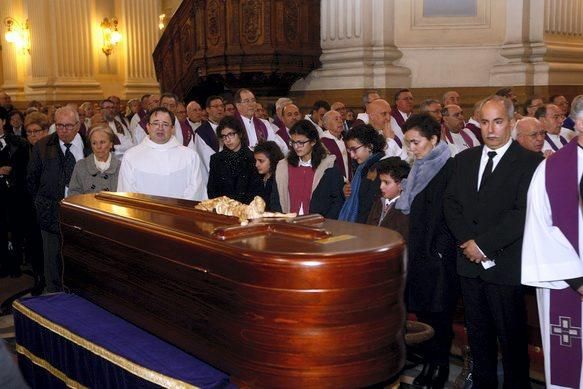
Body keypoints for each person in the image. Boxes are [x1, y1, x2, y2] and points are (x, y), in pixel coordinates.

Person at [444, 95, 543, 388]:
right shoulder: (464, 159)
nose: (491, 129)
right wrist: (467, 241)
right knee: (479, 336)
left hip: (504, 266)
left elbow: (522, 212)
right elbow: (451, 204)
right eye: (485, 122)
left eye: (498, 121)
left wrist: (483, 245)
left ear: (511, 124)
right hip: (469, 265)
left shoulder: (530, 162)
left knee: (511, 339)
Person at [522, 95, 583, 389]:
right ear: (580, 123)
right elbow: (539, 226)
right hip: (568, 281)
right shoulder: (550, 170)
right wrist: (577, 278)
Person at [395, 113, 456, 389]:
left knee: (440, 315)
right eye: (407, 143)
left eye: (415, 142)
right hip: (419, 252)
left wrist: (440, 252)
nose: (411, 149)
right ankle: (430, 363)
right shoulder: (418, 167)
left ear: (433, 139)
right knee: (426, 314)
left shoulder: (448, 168)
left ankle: (440, 367)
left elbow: (451, 215)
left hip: (439, 257)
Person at [27, 106, 91, 292]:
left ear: (78, 125)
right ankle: (53, 292)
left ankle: (80, 290)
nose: (63, 130)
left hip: (81, 209)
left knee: (79, 252)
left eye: (69, 126)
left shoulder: (89, 145)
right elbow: (32, 179)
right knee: (52, 256)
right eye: (60, 125)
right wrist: (41, 202)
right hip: (50, 209)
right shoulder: (43, 146)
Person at [117, 107, 207, 201]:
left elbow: (195, 190)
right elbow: (127, 192)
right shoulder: (131, 156)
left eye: (165, 124)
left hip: (180, 214)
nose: (160, 128)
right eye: (155, 123)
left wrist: (175, 213)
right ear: (148, 127)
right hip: (142, 213)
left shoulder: (190, 156)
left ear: (172, 128)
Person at [270, 120, 344, 218]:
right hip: (289, 224)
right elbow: (275, 199)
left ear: (313, 142)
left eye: (301, 142)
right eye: (293, 142)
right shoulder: (283, 166)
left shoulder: (328, 166)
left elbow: (337, 201)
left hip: (319, 224)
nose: (296, 147)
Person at [23, 112, 50, 294]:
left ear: (46, 131)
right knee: (34, 244)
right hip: (28, 206)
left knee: (48, 244)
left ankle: (50, 278)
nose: (32, 135)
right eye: (29, 132)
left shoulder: (53, 151)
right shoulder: (22, 152)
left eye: (36, 131)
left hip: (48, 206)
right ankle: (39, 277)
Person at [207, 116, 262, 204]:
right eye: (224, 136)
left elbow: (257, 190)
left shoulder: (253, 158)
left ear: (240, 134)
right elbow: (212, 190)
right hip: (224, 210)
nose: (228, 140)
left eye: (231, 134)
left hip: (247, 210)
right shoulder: (216, 159)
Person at [338, 124, 386, 223]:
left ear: (369, 146)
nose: (351, 155)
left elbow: (367, 207)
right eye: (349, 150)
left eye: (354, 149)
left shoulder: (378, 169)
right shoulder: (362, 167)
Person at [68, 125, 121, 196]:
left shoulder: (121, 167)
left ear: (111, 144)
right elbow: (73, 194)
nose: (98, 147)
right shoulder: (81, 166)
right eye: (94, 143)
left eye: (102, 142)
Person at [366, 156, 410, 240]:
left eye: (386, 182)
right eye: (381, 181)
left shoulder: (405, 209)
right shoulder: (378, 201)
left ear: (401, 185)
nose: (381, 186)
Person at [253, 141, 284, 209]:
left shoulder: (279, 180)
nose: (256, 165)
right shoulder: (256, 178)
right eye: (255, 160)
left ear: (272, 160)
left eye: (261, 161)